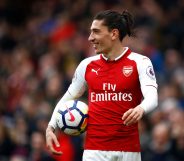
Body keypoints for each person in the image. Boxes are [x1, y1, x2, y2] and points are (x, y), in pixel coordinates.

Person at [46, 10, 158, 161]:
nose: (90, 38)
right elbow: (68, 97)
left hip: (128, 150)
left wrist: (141, 108)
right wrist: (51, 127)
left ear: (114, 34)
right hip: (94, 151)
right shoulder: (87, 65)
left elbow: (152, 97)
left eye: (96, 32)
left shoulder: (140, 62)